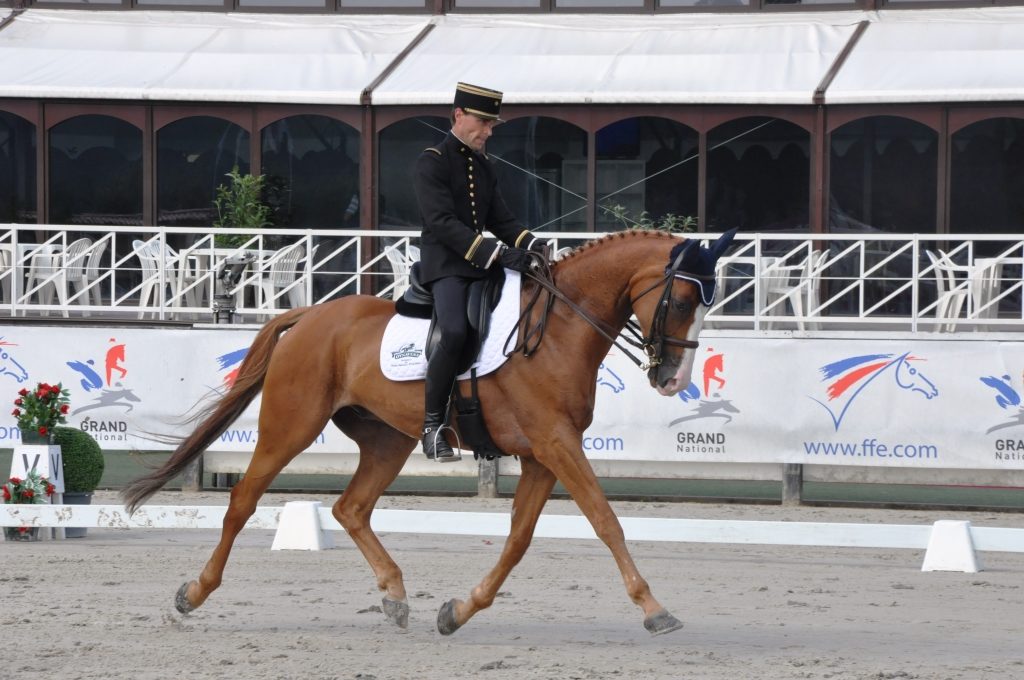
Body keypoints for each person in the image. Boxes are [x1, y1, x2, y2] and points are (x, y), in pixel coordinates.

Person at [413, 82, 549, 462]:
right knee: (455, 332)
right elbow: (441, 222)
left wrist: (532, 244)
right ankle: (432, 427)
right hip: (446, 266)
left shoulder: (484, 165)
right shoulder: (432, 161)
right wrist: (499, 254)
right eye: (483, 123)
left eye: (492, 126)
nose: (488, 132)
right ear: (459, 115)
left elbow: (500, 218)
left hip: (481, 266)